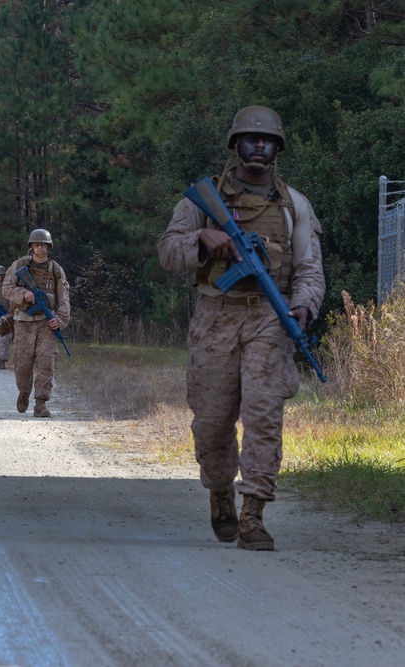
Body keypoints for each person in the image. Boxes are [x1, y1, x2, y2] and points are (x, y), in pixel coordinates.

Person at [157, 105, 325, 551]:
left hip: (271, 319)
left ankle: (254, 513)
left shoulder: (295, 206)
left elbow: (310, 270)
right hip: (216, 316)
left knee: (263, 415)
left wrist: (303, 308)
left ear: (277, 149)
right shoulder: (204, 198)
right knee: (212, 422)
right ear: (236, 144)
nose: (259, 146)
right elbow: (168, 252)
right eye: (250, 139)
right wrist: (202, 240)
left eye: (267, 140)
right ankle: (220, 493)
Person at [2, 229, 71, 419]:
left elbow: (64, 298)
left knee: (46, 362)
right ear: (31, 246)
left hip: (47, 325)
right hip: (23, 323)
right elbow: (6, 289)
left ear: (48, 247)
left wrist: (61, 319)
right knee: (22, 364)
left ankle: (40, 403)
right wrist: (23, 294)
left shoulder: (55, 270)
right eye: (36, 244)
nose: (40, 247)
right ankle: (24, 392)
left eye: (43, 244)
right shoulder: (19, 265)